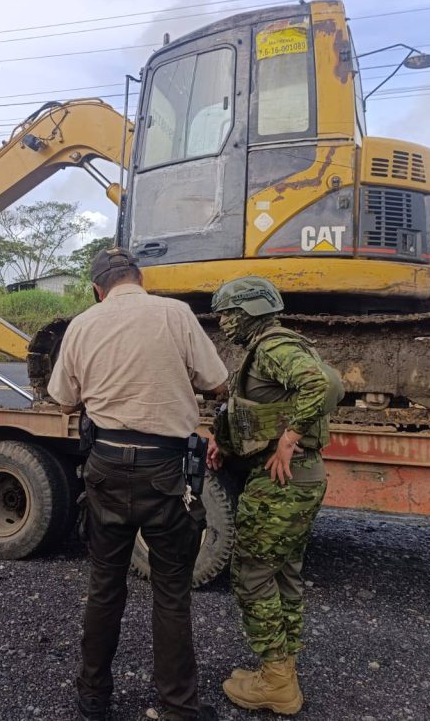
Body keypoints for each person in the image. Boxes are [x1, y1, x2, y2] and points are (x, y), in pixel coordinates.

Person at [47, 248, 228, 721]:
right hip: (167, 472)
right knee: (171, 593)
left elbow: (63, 400)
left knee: (105, 586)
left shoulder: (83, 324)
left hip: (106, 467)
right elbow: (217, 382)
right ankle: (179, 707)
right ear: (141, 279)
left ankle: (93, 700)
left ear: (97, 288)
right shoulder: (177, 313)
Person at [206, 276, 343, 716]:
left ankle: (277, 681)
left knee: (251, 574)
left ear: (249, 311)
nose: (224, 322)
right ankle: (282, 670)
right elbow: (255, 407)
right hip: (297, 479)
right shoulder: (267, 348)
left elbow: (319, 386)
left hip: (281, 478)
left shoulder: (273, 347)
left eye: (228, 313)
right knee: (282, 573)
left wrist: (290, 437)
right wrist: (221, 438)